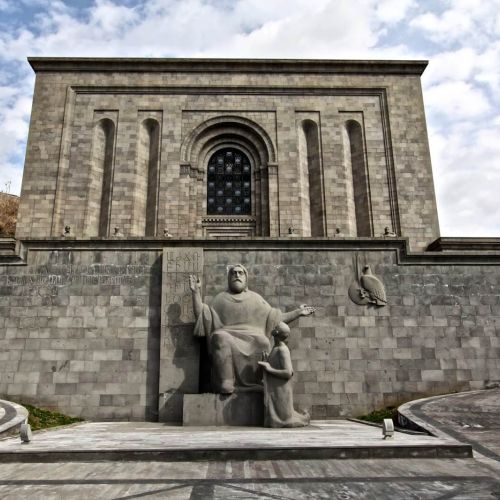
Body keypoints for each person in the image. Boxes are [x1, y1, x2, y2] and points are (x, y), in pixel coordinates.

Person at [189, 264, 315, 394]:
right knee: (220, 337)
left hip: (253, 338)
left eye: (240, 273)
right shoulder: (220, 299)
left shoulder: (255, 299)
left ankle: (256, 383)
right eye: (234, 273)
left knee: (264, 342)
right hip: (227, 336)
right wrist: (195, 292)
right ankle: (226, 383)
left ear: (246, 278)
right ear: (229, 278)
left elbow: (275, 318)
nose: (237, 275)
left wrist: (298, 312)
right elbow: (203, 316)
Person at [258, 322, 310, 427]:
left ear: (277, 332)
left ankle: (303, 418)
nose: (273, 328)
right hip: (276, 390)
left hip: (281, 391)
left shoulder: (283, 350)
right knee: (275, 418)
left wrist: (269, 368)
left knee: (284, 419)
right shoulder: (276, 348)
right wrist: (267, 359)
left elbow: (288, 372)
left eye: (276, 327)